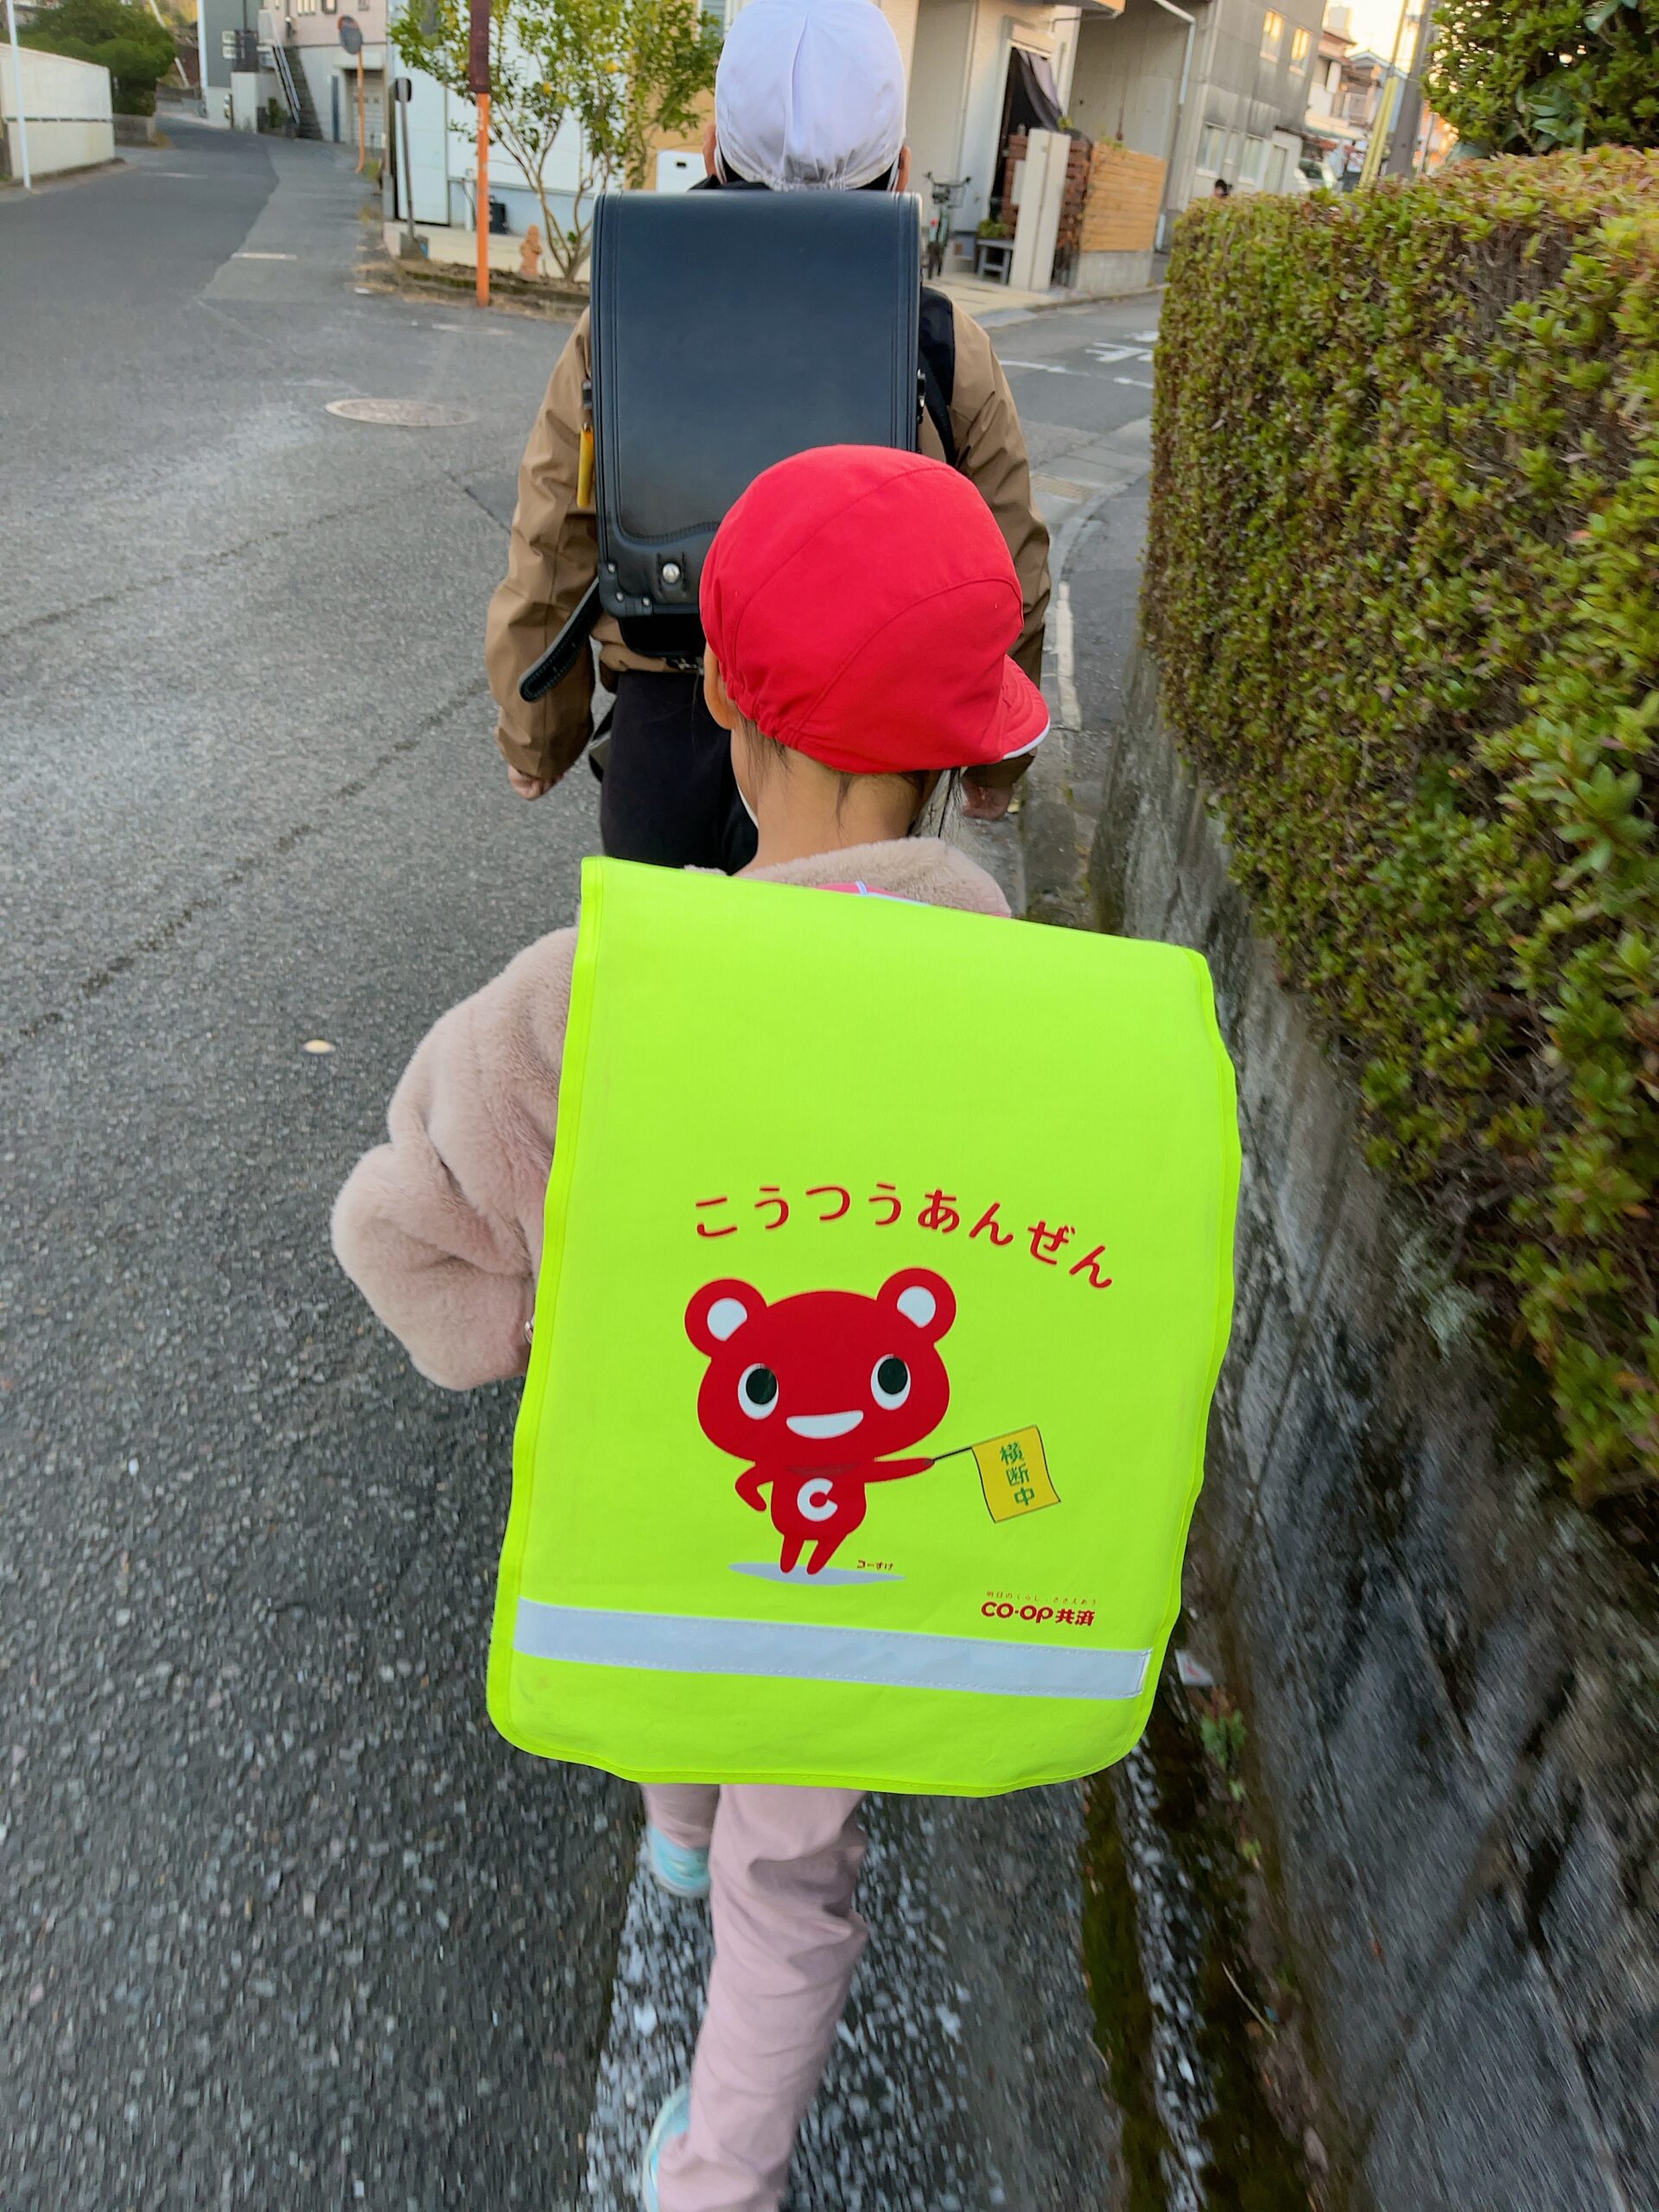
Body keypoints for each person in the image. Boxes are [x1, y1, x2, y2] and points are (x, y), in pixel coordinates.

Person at [334, 443, 1047, 2211]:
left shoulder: (578, 1001)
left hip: (662, 1524)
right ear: (972, 743)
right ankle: (720, 2175)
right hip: (868, 1566)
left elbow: (404, 1238)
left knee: (671, 1595)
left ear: (721, 689)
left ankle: (668, 1834)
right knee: (792, 1883)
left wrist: (531, 1323)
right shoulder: (1045, 1019)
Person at [485, 0, 1050, 873]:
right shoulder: (942, 342)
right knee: (834, 957)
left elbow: (555, 532)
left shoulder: (624, 322)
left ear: (713, 150)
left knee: (657, 957)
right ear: (899, 171)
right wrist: (994, 762)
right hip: (865, 760)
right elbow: (1010, 568)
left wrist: (538, 734)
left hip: (665, 729)